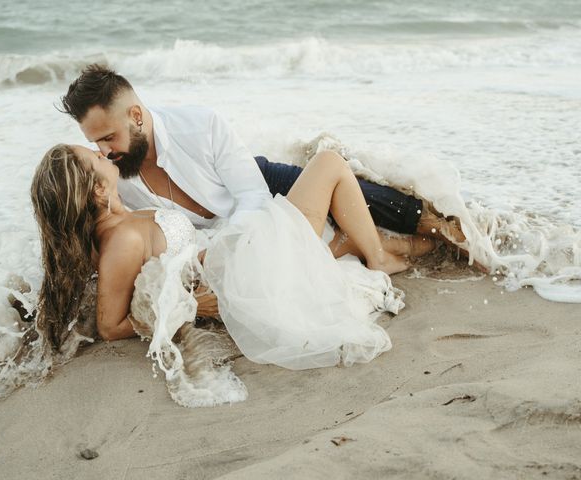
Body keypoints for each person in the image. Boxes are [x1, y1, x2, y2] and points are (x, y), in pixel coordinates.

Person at [31, 144, 434, 367]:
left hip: (240, 260)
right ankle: (374, 254)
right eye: (94, 159)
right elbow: (109, 326)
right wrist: (191, 306)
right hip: (251, 274)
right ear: (98, 191)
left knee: (320, 185)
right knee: (328, 164)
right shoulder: (121, 242)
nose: (102, 154)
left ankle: (349, 248)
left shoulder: (124, 216)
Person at [59, 64, 463, 242]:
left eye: (108, 137)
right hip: (223, 228)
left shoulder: (200, 124)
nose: (102, 151)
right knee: (341, 243)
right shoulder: (112, 176)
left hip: (254, 182)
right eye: (95, 142)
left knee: (366, 200)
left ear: (135, 116)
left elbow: (252, 197)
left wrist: (233, 252)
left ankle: (445, 226)